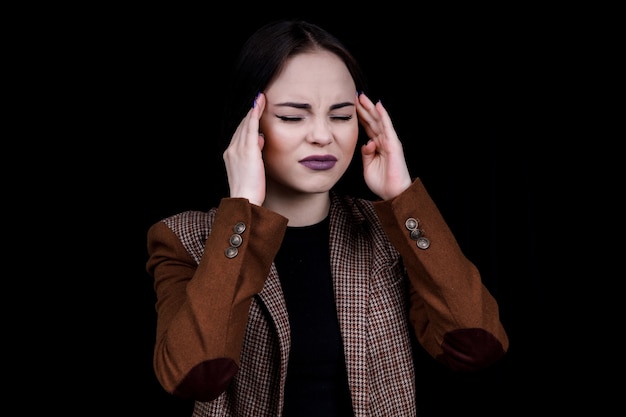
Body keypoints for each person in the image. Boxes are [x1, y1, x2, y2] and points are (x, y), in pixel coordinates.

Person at [146, 19, 509, 417]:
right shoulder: (183, 238)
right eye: (292, 116)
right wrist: (242, 212)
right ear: (247, 126)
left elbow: (477, 346)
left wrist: (404, 197)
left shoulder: (387, 231)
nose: (322, 135)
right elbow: (194, 377)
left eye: (340, 115)